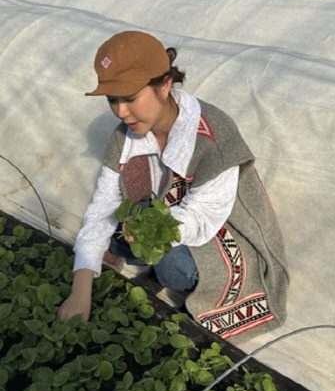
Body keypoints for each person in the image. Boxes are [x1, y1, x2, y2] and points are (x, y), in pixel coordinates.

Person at [57, 30, 289, 341]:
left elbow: (202, 217)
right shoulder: (124, 136)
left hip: (219, 224)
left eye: (130, 98)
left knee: (174, 268)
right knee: (112, 224)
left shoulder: (214, 137)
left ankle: (157, 263)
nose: (121, 112)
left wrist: (150, 231)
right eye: (113, 100)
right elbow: (104, 202)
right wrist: (80, 288)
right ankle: (132, 247)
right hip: (162, 210)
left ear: (164, 84)